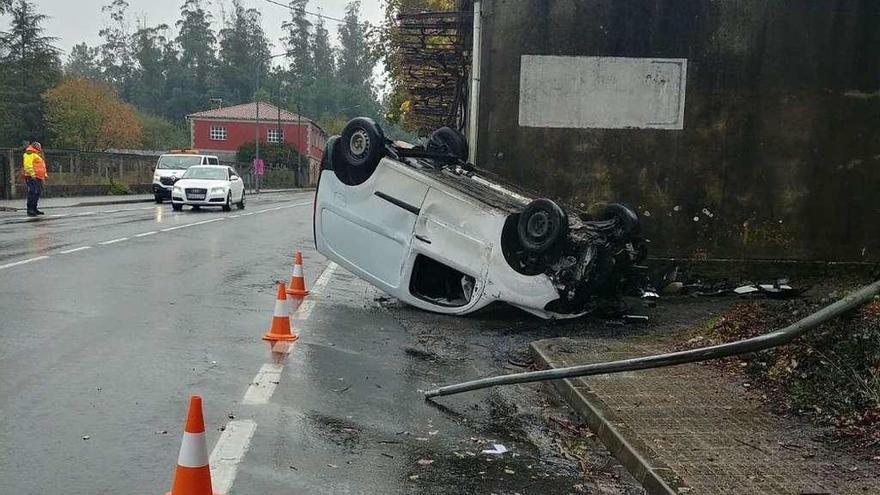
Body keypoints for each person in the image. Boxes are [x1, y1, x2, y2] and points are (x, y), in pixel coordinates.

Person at [22, 141, 47, 217]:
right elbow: (27, 165)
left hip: (38, 177)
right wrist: (32, 174)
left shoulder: (36, 154)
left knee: (37, 192)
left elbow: (41, 166)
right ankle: (30, 209)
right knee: (33, 192)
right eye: (39, 146)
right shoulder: (29, 153)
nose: (40, 148)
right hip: (32, 176)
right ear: (35, 146)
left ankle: (34, 208)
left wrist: (44, 176)